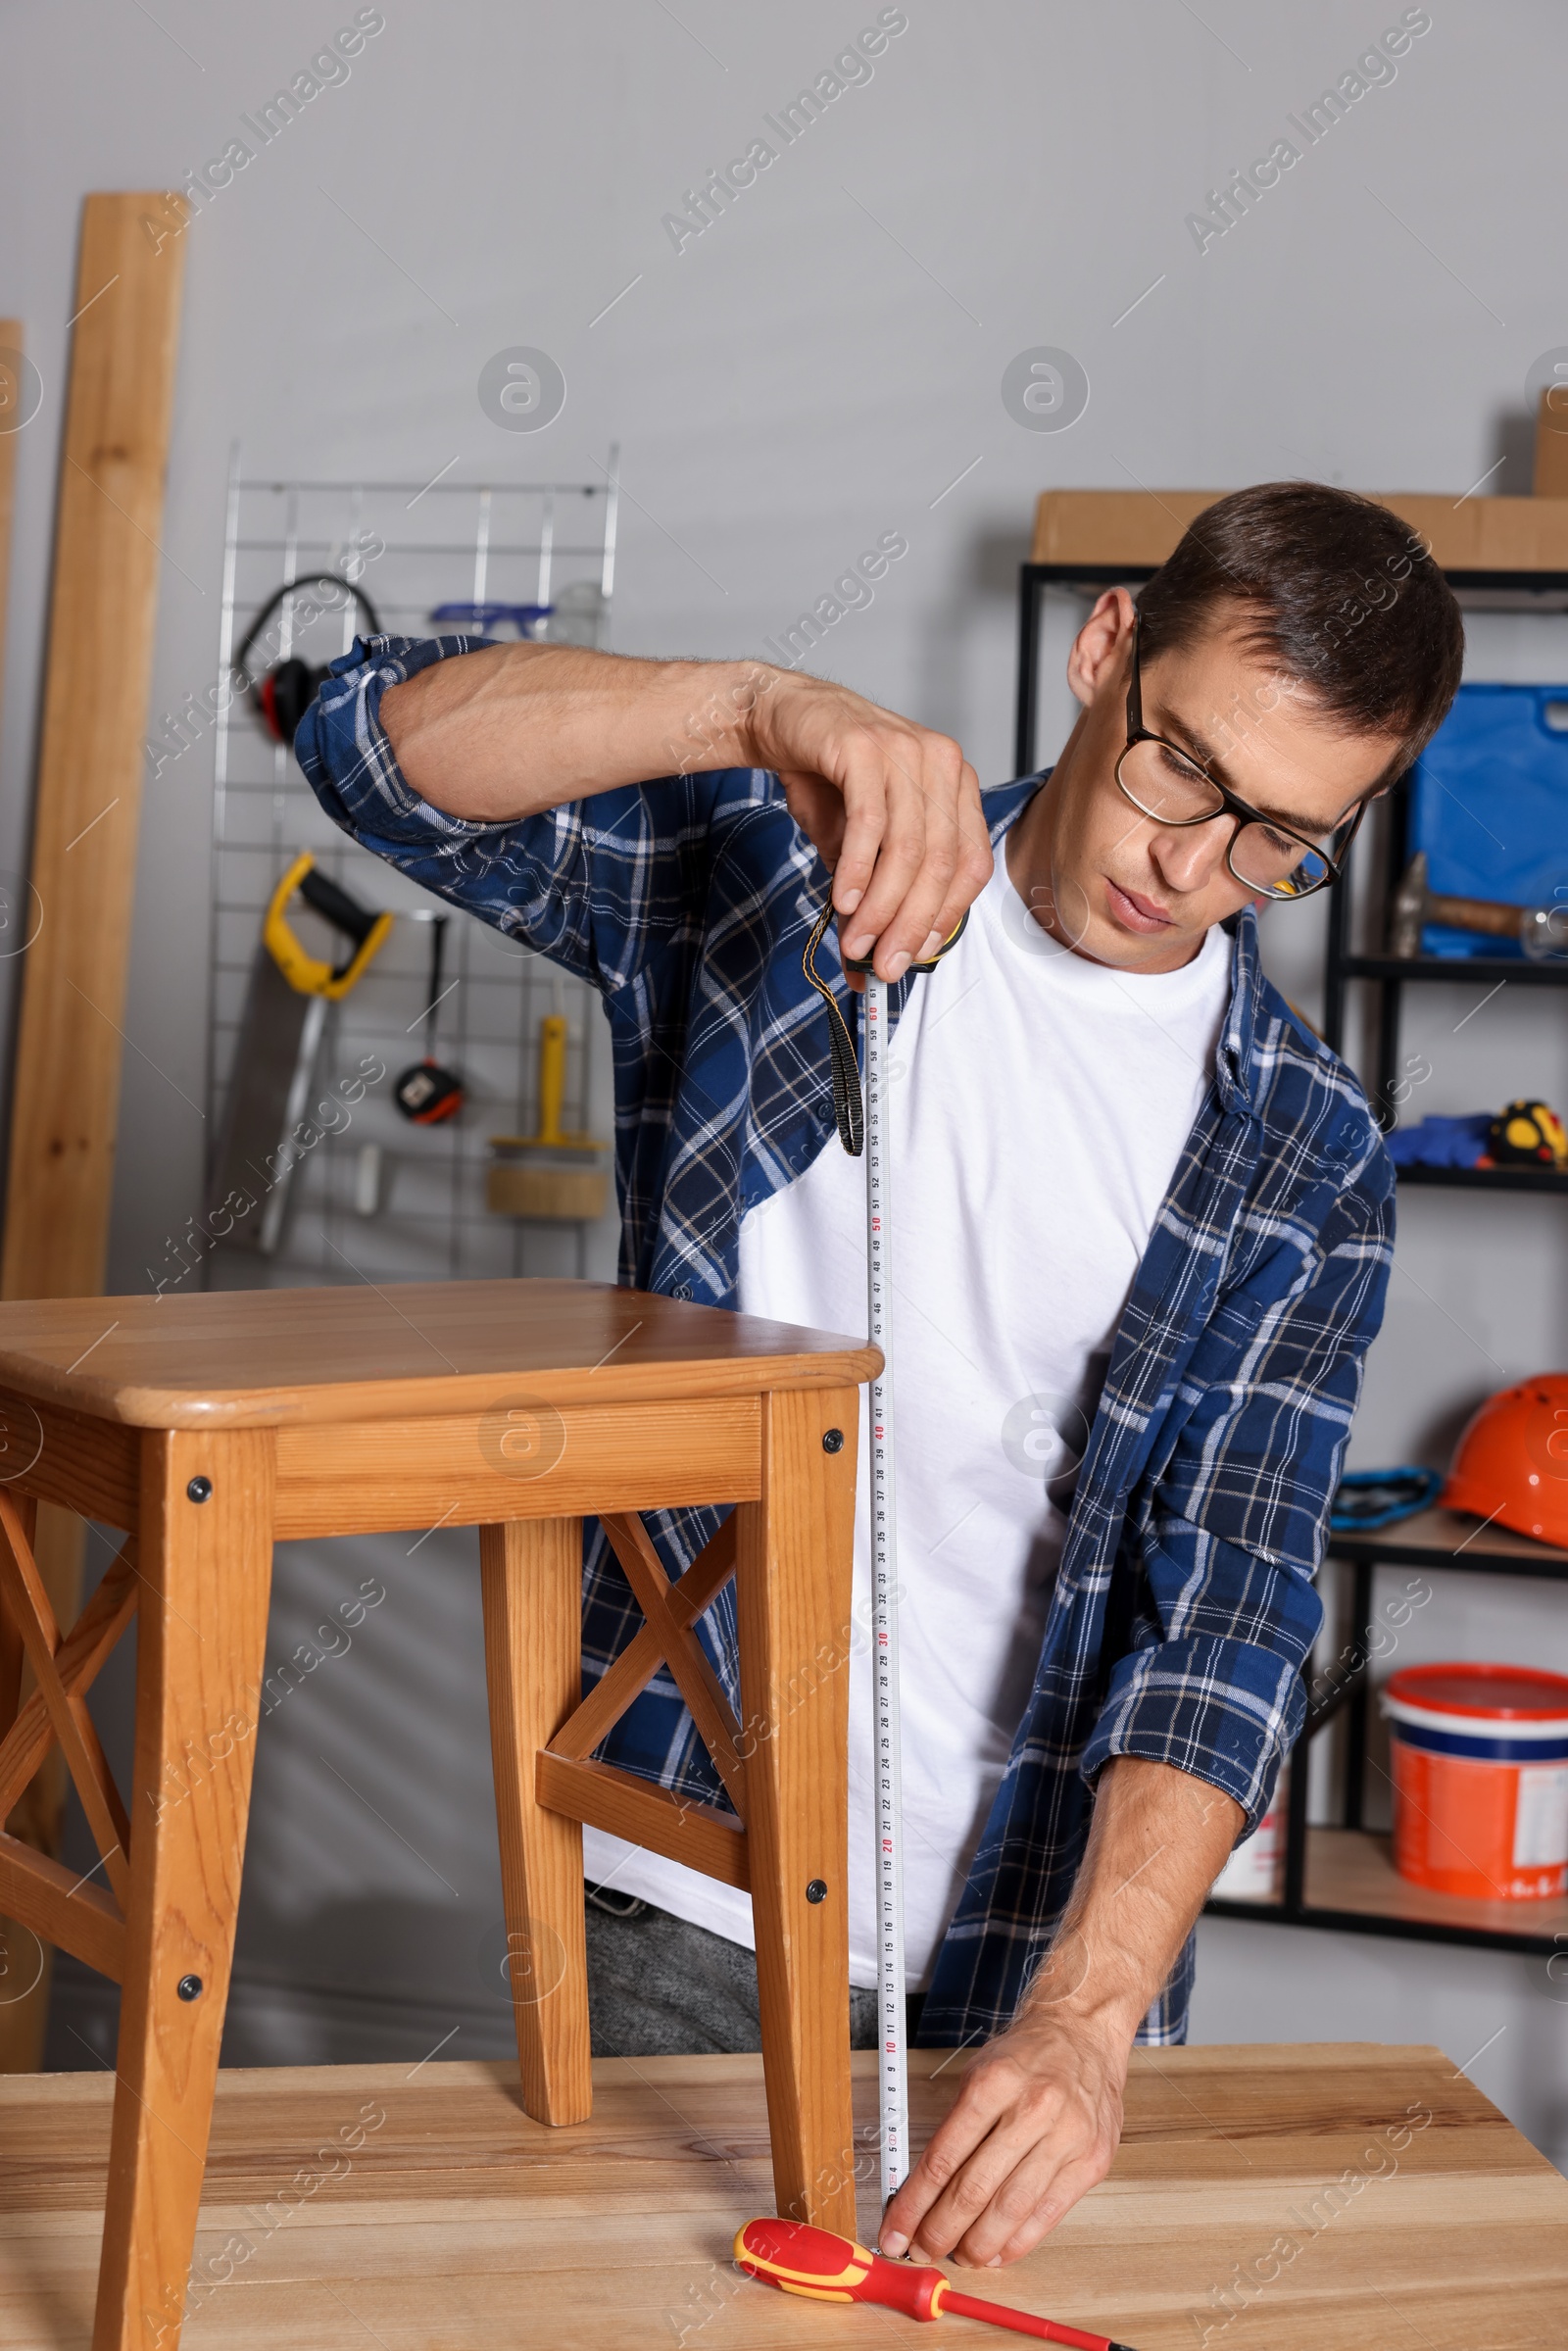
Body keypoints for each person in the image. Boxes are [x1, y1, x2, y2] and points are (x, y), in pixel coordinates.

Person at [296, 481, 1463, 2270]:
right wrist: (755, 710)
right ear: (1107, 654)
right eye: (1182, 772)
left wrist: (1086, 2018)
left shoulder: (1301, 1152)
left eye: (1282, 843)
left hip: (1034, 1980)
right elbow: (370, 746)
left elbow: (1228, 1607)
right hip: (696, 1887)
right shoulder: (792, 866)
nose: (1191, 866)